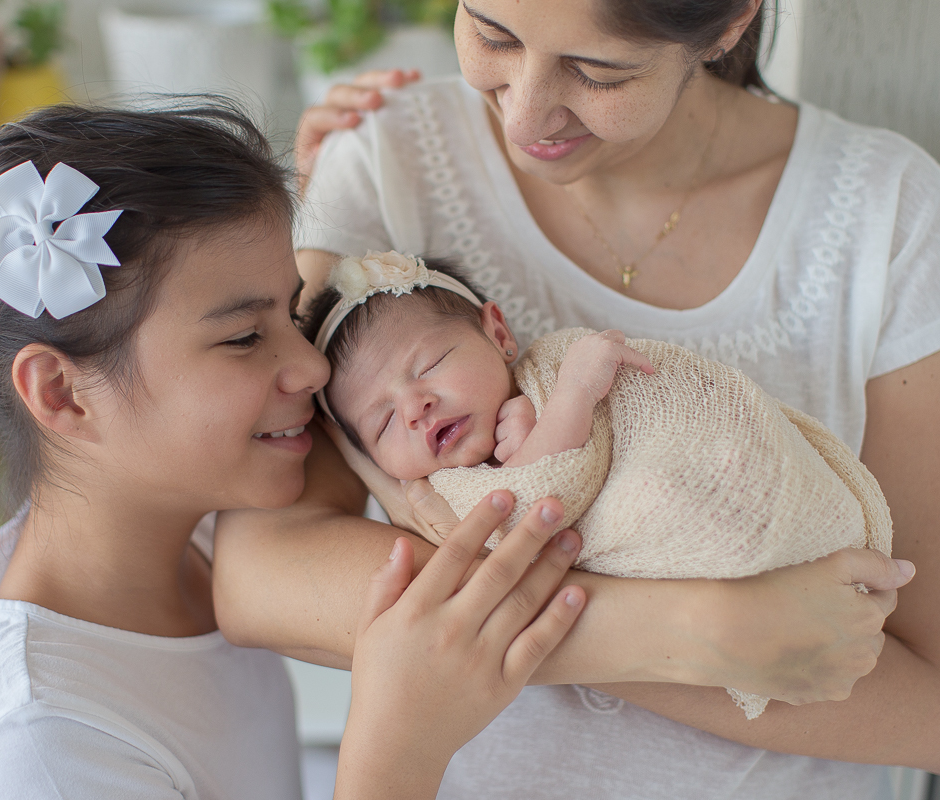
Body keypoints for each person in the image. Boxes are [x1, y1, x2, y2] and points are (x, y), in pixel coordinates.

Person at [212, 0, 940, 795]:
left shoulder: (884, 213)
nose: (526, 110)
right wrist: (693, 633)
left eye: (599, 71)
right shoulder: (388, 164)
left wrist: (513, 612)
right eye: (492, 34)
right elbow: (262, 579)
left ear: (733, 20)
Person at [0, 101, 592, 800]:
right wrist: (397, 751)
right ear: (62, 393)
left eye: (291, 314)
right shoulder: (41, 743)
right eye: (244, 338)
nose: (311, 368)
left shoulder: (196, 525)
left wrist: (350, 159)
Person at [305, 250, 895, 720]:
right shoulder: (451, 491)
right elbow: (529, 514)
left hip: (707, 465)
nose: (415, 407)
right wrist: (573, 399)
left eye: (430, 365)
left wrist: (561, 395)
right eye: (383, 422)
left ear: (500, 335)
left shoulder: (549, 364)